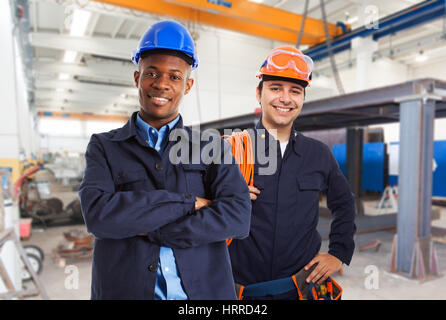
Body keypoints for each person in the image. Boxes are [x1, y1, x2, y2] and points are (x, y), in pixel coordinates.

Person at [78, 20, 251, 300]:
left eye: (174, 76)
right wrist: (188, 203)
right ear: (137, 78)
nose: (161, 84)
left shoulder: (211, 146)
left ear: (188, 85)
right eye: (152, 73)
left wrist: (154, 228)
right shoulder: (104, 146)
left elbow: (238, 218)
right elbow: (98, 216)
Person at [228, 46, 356, 300]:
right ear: (259, 93)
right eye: (275, 88)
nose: (285, 99)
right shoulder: (230, 151)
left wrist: (339, 253)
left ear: (302, 98)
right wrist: (223, 198)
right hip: (239, 292)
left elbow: (344, 203)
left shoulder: (318, 154)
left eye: (295, 91)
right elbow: (193, 210)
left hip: (300, 290)